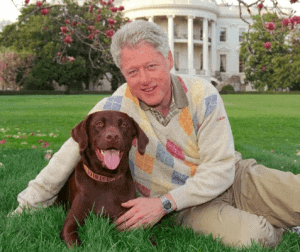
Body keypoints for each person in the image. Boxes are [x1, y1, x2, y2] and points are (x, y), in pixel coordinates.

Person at [9, 20, 300, 249]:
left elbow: (221, 169)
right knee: (256, 236)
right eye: (133, 71)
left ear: (169, 59)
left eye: (151, 66)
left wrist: (163, 204)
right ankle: (282, 224)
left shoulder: (203, 93)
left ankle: (285, 213)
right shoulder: (115, 109)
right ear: (123, 73)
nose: (144, 80)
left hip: (233, 179)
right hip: (186, 206)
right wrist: (23, 209)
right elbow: (62, 162)